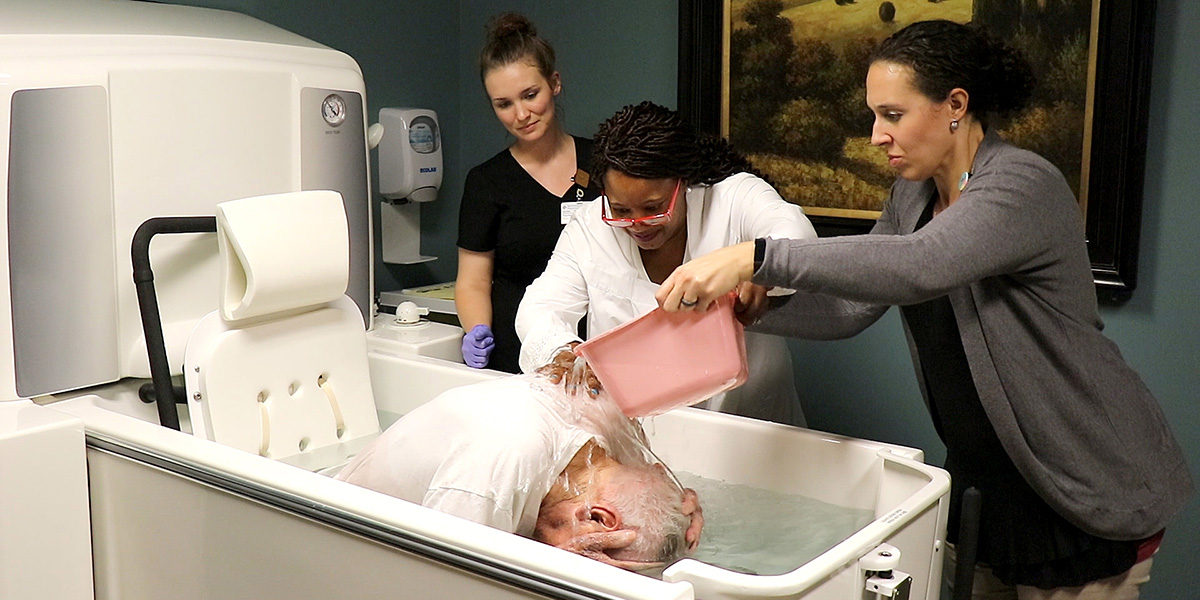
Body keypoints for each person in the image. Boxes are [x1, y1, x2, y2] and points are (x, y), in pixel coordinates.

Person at [655, 20, 1193, 599]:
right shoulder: (914, 194)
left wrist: (755, 257)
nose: (876, 135)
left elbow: (920, 265)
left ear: (954, 105)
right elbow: (852, 309)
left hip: (1081, 484)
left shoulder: (1021, 185)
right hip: (985, 486)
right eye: (874, 116)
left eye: (892, 114)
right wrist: (751, 313)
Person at [515, 101, 816, 426]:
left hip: (748, 429)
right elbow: (539, 307)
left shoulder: (733, 200)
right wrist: (564, 352)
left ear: (682, 183)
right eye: (621, 210)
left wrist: (756, 263)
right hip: (641, 437)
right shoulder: (591, 227)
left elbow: (799, 240)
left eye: (653, 207)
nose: (637, 224)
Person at [335, 374, 703, 570]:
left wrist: (676, 502)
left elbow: (654, 477)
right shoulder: (492, 477)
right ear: (596, 517)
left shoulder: (607, 418)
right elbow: (440, 583)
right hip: (343, 547)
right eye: (599, 563)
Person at [455, 12, 601, 373]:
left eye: (530, 95)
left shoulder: (604, 163)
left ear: (555, 83)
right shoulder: (487, 182)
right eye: (504, 104)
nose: (521, 114)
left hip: (597, 351)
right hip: (519, 358)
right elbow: (473, 281)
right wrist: (476, 330)